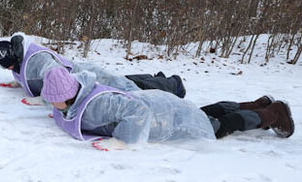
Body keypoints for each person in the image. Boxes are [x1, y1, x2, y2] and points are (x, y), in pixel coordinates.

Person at [39, 67, 294, 150]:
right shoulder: (82, 91)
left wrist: (122, 142)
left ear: (68, 94)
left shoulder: (98, 105)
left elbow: (138, 114)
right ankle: (257, 104)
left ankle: (271, 114)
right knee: (202, 112)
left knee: (215, 126)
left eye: (54, 98)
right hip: (163, 104)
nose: (51, 103)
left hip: (165, 118)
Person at [0, 34, 186, 104]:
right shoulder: (20, 59)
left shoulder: (39, 60)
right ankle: (157, 77)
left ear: (15, 56)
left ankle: (173, 85)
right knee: (124, 81)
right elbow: (28, 75)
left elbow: (55, 75)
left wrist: (41, 99)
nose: (10, 68)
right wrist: (17, 81)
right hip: (84, 76)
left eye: (9, 65)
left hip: (84, 78)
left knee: (127, 90)